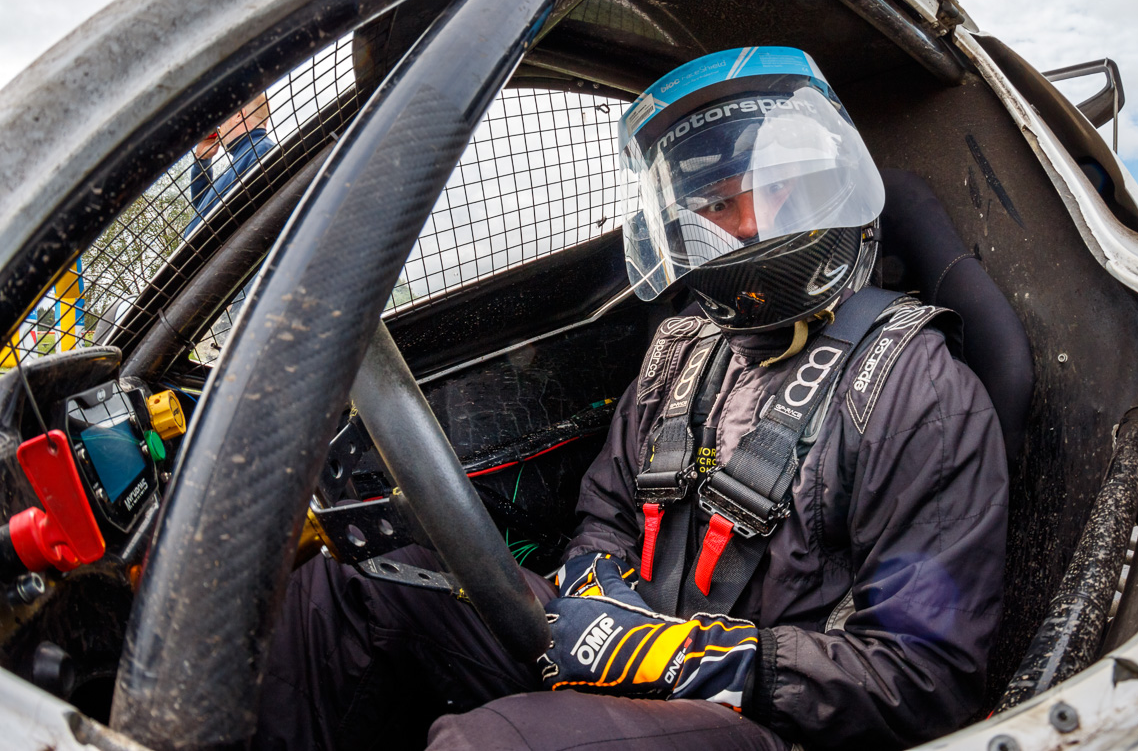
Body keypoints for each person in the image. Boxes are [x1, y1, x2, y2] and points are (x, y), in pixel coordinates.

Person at [254, 48, 1010, 751]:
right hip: (626, 654)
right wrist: (599, 591)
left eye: (776, 190)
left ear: (830, 182)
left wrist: (687, 658)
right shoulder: (680, 348)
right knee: (351, 588)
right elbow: (606, 513)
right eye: (718, 204)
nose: (749, 224)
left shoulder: (921, 393)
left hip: (768, 722)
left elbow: (926, 678)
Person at [188, 92, 274, 233]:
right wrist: (202, 160)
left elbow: (230, 218)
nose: (219, 127)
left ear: (239, 115)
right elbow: (203, 206)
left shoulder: (261, 151)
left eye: (223, 119)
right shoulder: (243, 156)